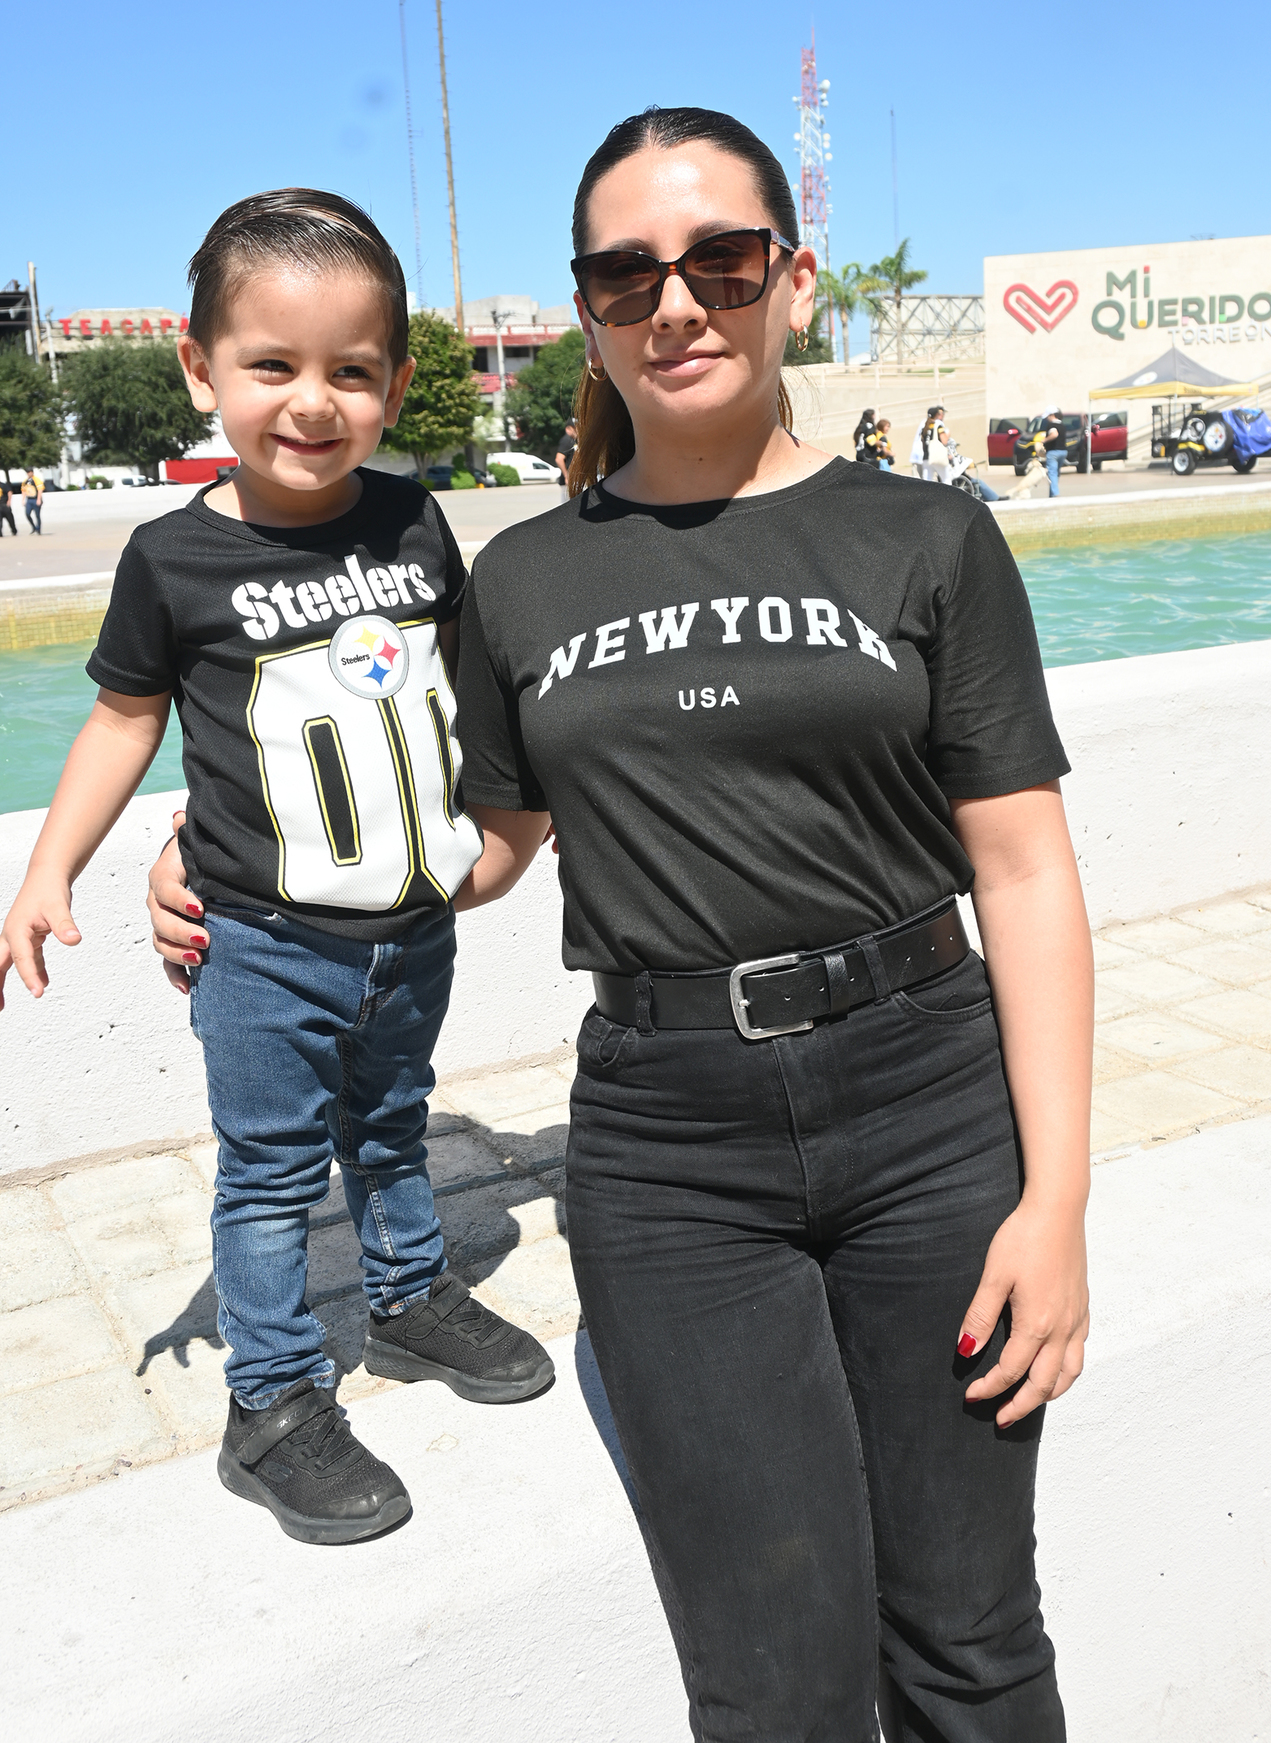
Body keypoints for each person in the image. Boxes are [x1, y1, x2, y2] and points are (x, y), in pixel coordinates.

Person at [149, 110, 1090, 1738]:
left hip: (931, 1112)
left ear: (792, 279)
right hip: (671, 1148)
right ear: (587, 305)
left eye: (723, 261)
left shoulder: (929, 535)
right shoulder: (521, 578)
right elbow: (480, 841)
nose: (677, 303)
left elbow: (1023, 871)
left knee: (970, 1638)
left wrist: (1057, 1198)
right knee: (772, 1683)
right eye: (626, 273)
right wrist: (244, 856)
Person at [0, 189, 552, 1547]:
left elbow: (462, 691)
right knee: (267, 1174)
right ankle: (273, 1398)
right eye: (271, 365)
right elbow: (125, 720)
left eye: (351, 371)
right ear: (201, 369)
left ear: (396, 386)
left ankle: (408, 1296)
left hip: (410, 931)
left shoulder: (414, 522)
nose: (312, 401)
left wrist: (512, 822)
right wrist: (51, 866)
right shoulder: (171, 557)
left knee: (395, 1123)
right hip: (260, 945)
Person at [910, 404, 948, 482]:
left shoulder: (924, 425)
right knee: (946, 479)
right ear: (937, 415)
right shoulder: (938, 424)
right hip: (935, 456)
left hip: (925, 457)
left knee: (927, 481)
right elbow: (944, 441)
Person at [1041, 406, 1071, 499]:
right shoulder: (1062, 425)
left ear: (1052, 415)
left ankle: (1055, 494)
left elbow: (1054, 434)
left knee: (1052, 473)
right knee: (1056, 473)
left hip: (1053, 452)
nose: (1047, 419)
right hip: (1063, 452)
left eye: (1048, 416)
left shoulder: (1051, 425)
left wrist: (1044, 440)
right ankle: (1052, 495)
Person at [554, 418, 578, 488]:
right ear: (568, 429)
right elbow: (559, 459)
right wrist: (566, 476)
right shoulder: (567, 440)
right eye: (575, 428)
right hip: (568, 481)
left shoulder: (573, 440)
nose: (577, 430)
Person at [21, 468, 43, 533]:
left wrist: (39, 499)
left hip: (35, 499)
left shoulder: (36, 480)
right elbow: (23, 490)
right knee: (27, 514)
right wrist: (23, 499)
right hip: (29, 499)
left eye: (29, 472)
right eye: (27, 472)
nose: (28, 474)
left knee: (37, 515)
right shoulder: (25, 481)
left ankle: (38, 528)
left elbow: (40, 490)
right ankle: (33, 527)